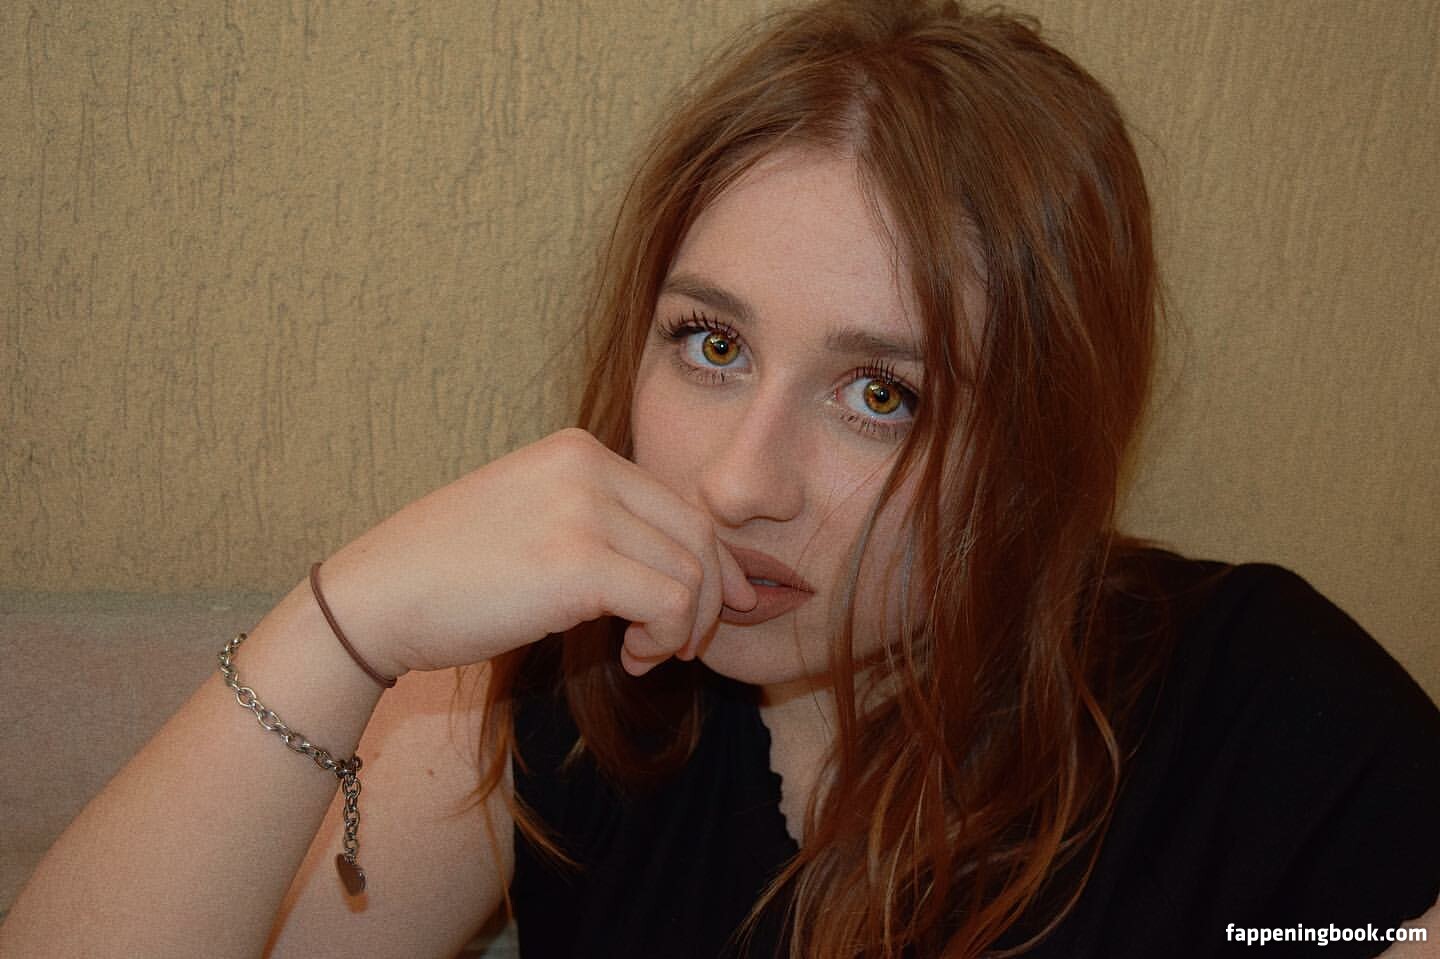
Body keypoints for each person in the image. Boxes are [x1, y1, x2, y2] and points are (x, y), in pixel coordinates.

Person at [3, 1, 1437, 957]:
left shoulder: (1271, 718)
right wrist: (346, 624)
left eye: (882, 396)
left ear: (1037, 447)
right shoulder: (562, 688)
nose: (742, 483)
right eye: (710, 344)